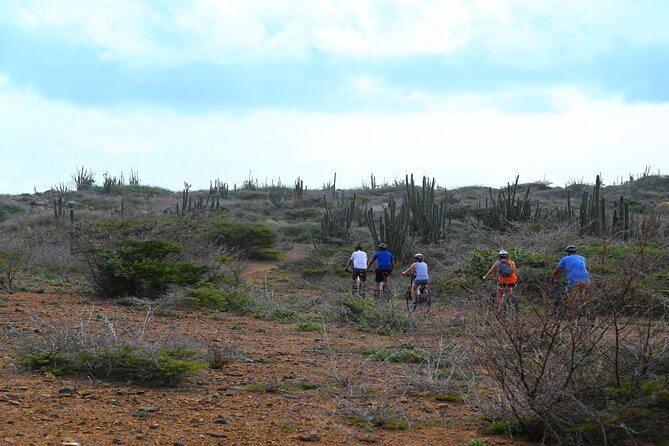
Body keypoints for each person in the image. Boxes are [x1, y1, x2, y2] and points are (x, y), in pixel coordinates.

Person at [550, 244, 590, 316]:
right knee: (582, 293)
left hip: (574, 279)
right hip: (586, 278)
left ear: (568, 252)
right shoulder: (582, 258)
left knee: (572, 298)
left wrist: (553, 278)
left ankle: (573, 315)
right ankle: (585, 308)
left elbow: (557, 270)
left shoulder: (565, 259)